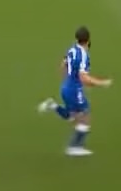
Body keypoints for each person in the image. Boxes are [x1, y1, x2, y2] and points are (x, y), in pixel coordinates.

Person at [37, 26, 112, 157]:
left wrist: (67, 82)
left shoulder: (72, 49)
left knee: (71, 116)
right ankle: (74, 147)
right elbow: (84, 78)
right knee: (85, 117)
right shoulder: (83, 56)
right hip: (74, 90)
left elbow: (63, 65)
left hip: (66, 87)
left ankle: (52, 105)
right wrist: (102, 83)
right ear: (88, 40)